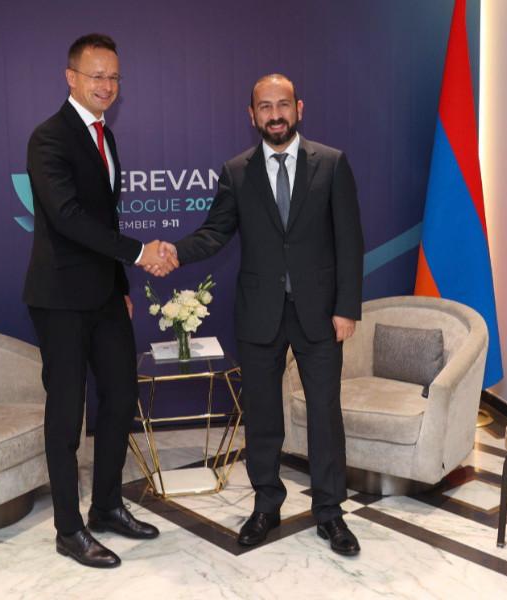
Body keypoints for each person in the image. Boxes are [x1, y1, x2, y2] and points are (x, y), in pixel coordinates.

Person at [158, 74, 364, 556]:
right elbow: (215, 233)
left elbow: (349, 241)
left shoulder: (332, 163)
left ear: (299, 108)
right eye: (265, 106)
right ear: (251, 115)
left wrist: (346, 308)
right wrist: (175, 252)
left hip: (319, 313)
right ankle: (266, 504)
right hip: (259, 314)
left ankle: (330, 512)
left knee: (325, 415)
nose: (275, 114)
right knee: (263, 414)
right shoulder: (236, 171)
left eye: (283, 104)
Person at [24, 33, 177, 568]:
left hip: (105, 296)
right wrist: (139, 253)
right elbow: (68, 219)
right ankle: (69, 529)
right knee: (68, 414)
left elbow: (104, 220)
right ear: (71, 77)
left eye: (114, 77)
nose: (107, 85)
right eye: (96, 75)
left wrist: (121, 287)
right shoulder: (48, 138)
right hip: (61, 299)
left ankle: (107, 506)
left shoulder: (105, 136)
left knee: (121, 398)